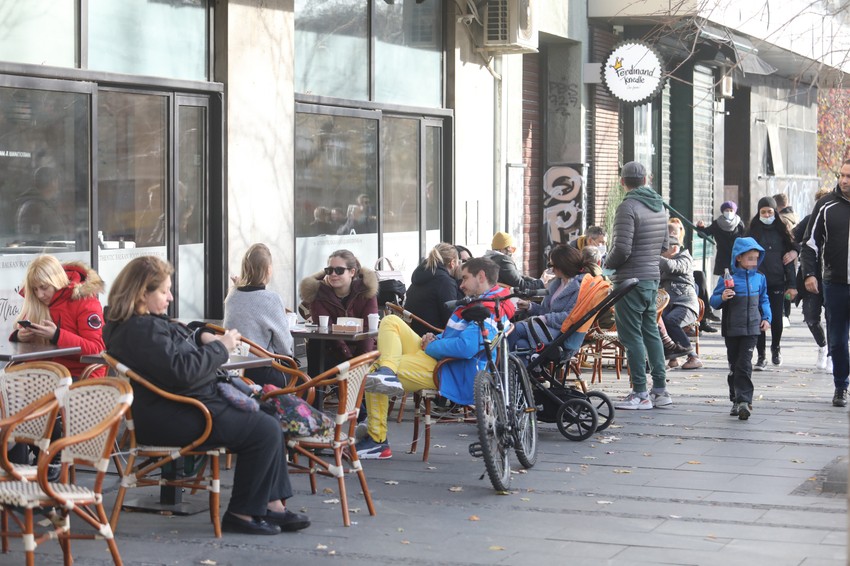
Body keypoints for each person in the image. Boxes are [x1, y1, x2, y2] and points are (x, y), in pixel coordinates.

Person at [103, 256, 309, 535]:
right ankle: (242, 513)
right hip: (174, 414)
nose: (170, 296)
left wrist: (201, 336)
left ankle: (272, 506)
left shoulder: (140, 324)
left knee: (267, 416)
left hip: (179, 406)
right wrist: (221, 348)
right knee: (264, 429)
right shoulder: (140, 329)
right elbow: (181, 371)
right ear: (142, 293)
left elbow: (175, 342)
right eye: (164, 291)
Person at [355, 257, 515, 459]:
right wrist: (435, 337)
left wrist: (432, 346)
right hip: (440, 359)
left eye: (465, 278)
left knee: (374, 374)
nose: (461, 284)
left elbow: (466, 348)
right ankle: (388, 371)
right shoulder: (481, 302)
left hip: (448, 370)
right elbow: (458, 336)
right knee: (390, 321)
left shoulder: (487, 309)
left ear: (481, 277)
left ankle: (377, 440)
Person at [604, 161, 671, 410]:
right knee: (650, 332)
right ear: (647, 179)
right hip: (651, 278)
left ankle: (640, 393)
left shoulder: (628, 206)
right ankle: (660, 391)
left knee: (631, 337)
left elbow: (621, 248)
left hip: (630, 280)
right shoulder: (659, 207)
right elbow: (665, 245)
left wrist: (606, 264)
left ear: (623, 182)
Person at [802, 158, 850, 407]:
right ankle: (841, 385)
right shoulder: (826, 204)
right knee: (839, 341)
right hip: (836, 284)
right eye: (842, 175)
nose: (843, 181)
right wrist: (809, 274)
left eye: (849, 177)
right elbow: (809, 244)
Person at [9, 255, 106, 379]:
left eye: (44, 287)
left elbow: (97, 350)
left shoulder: (85, 301)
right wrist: (19, 337)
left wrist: (57, 336)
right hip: (44, 374)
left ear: (57, 281)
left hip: (79, 375)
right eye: (35, 289)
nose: (40, 295)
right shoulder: (37, 303)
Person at [710, 237, 771, 419]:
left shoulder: (760, 278)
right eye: (750, 258)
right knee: (734, 365)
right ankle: (735, 399)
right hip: (732, 329)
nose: (754, 262)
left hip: (752, 329)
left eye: (756, 258)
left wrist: (767, 318)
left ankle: (744, 400)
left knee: (744, 364)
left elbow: (764, 300)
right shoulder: (727, 279)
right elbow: (713, 301)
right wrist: (723, 297)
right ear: (738, 258)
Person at [223, 244, 294, 387]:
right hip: (261, 371)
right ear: (268, 270)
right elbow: (284, 347)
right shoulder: (271, 299)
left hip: (233, 370)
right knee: (305, 382)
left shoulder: (232, 296)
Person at [299, 249, 378, 373]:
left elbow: (368, 334)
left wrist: (359, 363)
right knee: (316, 342)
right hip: (334, 351)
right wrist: (348, 361)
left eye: (339, 270)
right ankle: (316, 390)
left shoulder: (366, 292)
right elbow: (327, 331)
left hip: (363, 353)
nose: (333, 274)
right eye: (329, 270)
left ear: (352, 272)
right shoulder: (319, 294)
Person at [508, 244, 595, 352]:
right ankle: (522, 368)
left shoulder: (580, 287)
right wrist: (529, 306)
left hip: (559, 333)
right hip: (547, 327)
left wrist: (545, 318)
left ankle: (496, 366)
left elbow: (571, 317)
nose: (551, 269)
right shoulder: (558, 283)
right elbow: (546, 310)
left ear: (562, 266)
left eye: (551, 265)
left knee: (513, 329)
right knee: (521, 345)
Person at [745, 196, 797, 370]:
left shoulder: (782, 231)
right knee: (759, 318)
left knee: (775, 317)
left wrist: (792, 284)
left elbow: (791, 253)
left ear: (775, 212)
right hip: (757, 282)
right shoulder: (752, 231)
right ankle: (761, 355)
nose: (767, 214)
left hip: (777, 281)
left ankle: (776, 347)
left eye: (770, 211)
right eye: (763, 211)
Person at [792, 187, 832, 371]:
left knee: (834, 317)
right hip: (811, 276)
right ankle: (823, 346)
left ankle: (832, 353)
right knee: (810, 317)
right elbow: (793, 237)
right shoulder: (810, 220)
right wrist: (795, 250)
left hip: (833, 277)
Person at [659, 219, 703, 370]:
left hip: (686, 304)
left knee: (671, 321)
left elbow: (673, 267)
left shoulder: (685, 258)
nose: (661, 251)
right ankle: (671, 359)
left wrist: (652, 256)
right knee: (658, 321)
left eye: (663, 248)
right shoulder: (663, 262)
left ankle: (693, 357)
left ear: (674, 248)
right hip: (668, 304)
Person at [696, 200, 746, 326]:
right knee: (724, 283)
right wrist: (700, 228)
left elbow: (745, 238)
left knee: (737, 283)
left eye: (731, 210)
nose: (729, 213)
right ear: (722, 211)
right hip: (723, 258)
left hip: (737, 258)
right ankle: (721, 311)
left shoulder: (739, 224)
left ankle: (735, 311)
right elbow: (704, 234)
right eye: (726, 210)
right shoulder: (717, 224)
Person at [403, 243, 464, 334]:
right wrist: (460, 282)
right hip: (433, 336)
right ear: (452, 263)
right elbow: (452, 320)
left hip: (413, 334)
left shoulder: (420, 277)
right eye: (458, 262)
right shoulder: (445, 282)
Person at [15, 166, 68, 243]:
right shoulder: (33, 207)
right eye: (57, 181)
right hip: (42, 253)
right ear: (53, 182)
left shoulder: (42, 205)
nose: (58, 186)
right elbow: (33, 240)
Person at [483, 231, 548, 292]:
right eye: (512, 249)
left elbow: (516, 277)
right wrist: (542, 282)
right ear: (506, 248)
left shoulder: (489, 259)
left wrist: (535, 280)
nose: (512, 253)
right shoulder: (503, 260)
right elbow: (521, 286)